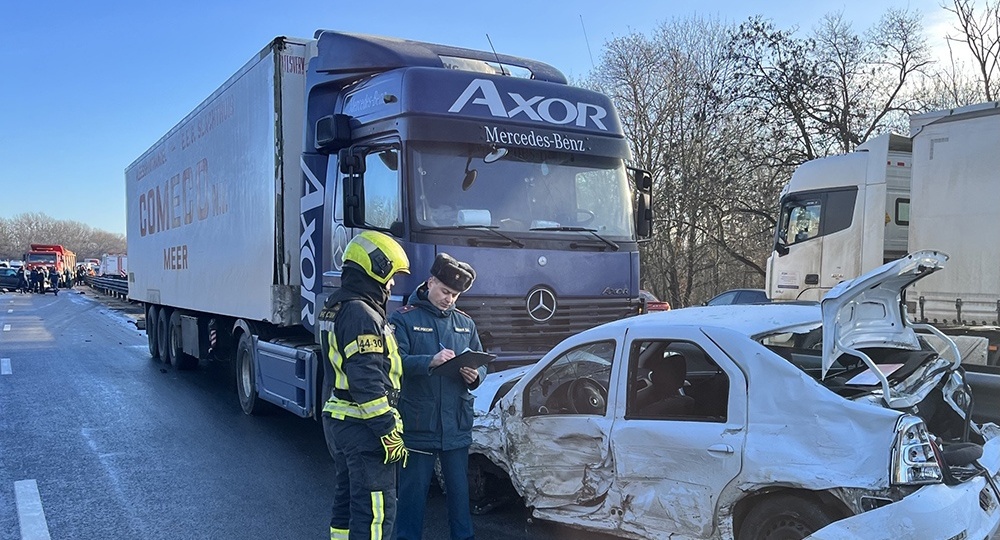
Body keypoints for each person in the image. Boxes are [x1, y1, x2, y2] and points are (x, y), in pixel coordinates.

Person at [319, 230, 410, 540]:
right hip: (364, 427)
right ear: (376, 268)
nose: (393, 283)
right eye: (392, 275)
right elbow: (367, 380)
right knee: (376, 512)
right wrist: (387, 430)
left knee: (347, 504)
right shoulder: (362, 313)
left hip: (342, 420)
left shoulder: (337, 304)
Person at [389, 253, 485, 540]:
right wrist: (429, 361)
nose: (449, 299)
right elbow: (394, 362)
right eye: (445, 291)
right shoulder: (404, 319)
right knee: (412, 497)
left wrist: (475, 376)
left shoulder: (465, 323)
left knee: (460, 496)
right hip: (419, 423)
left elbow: (482, 361)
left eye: (455, 295)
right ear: (430, 282)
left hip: (455, 423)